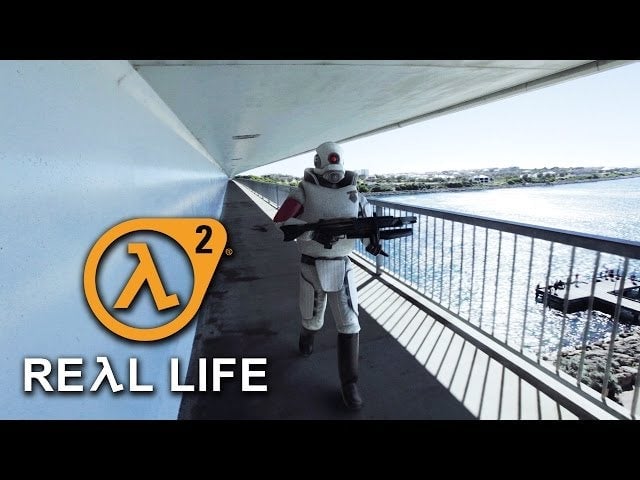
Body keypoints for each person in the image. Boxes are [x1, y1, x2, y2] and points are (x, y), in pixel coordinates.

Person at [272, 141, 382, 411]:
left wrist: (371, 240)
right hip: (312, 264)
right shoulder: (303, 191)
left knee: (350, 324)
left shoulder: (353, 192)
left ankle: (349, 383)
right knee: (313, 320)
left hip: (342, 264)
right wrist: (312, 232)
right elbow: (281, 221)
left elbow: (366, 223)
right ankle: (307, 337)